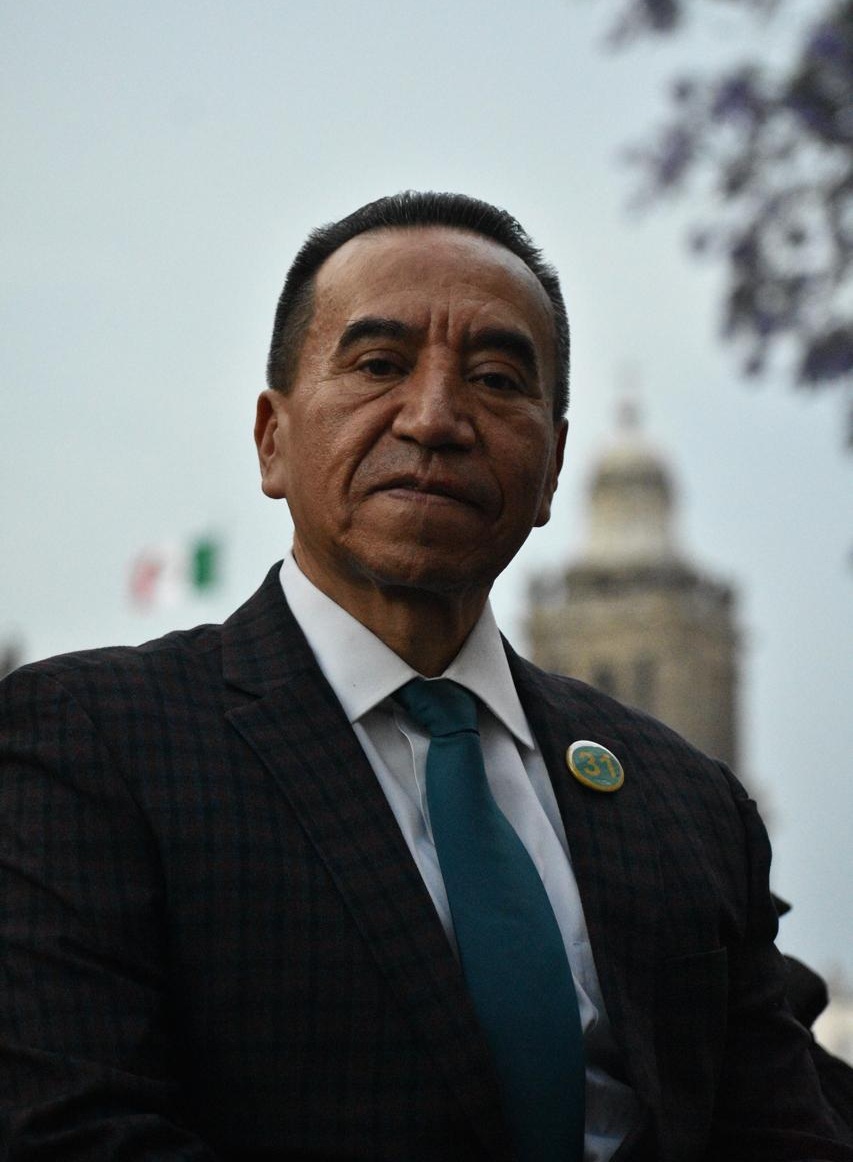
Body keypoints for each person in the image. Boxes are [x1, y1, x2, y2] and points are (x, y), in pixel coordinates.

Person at [0, 191, 850, 1162]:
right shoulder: (92, 745)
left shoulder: (685, 803)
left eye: (495, 379)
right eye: (378, 365)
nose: (436, 417)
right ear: (272, 438)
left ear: (552, 468)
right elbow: (70, 1126)